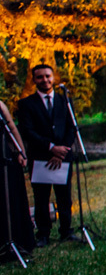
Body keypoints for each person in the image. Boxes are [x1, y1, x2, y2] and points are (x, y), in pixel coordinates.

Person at [17, 64, 77, 247]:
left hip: (63, 157)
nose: (45, 80)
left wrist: (61, 151)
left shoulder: (64, 100)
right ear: (34, 79)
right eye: (40, 77)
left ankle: (66, 231)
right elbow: (27, 131)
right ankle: (43, 234)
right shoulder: (26, 104)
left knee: (64, 196)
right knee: (41, 197)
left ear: (54, 77)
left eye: (48, 76)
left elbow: (71, 127)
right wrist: (51, 148)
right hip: (40, 157)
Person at [0, 100, 33, 258]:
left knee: (10, 198)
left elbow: (11, 127)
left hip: (3, 157)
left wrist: (21, 151)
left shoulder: (0, 104)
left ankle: (16, 241)